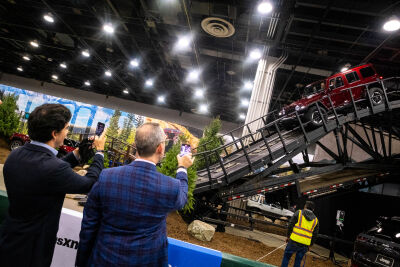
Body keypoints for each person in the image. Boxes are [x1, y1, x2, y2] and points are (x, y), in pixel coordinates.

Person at [0, 103, 105, 267]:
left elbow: (47, 170)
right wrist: (99, 154)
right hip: (34, 249)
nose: (67, 132)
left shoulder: (16, 155)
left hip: (10, 238)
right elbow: (88, 184)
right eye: (66, 128)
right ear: (54, 133)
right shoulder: (53, 168)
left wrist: (77, 154)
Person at [76, 122, 194, 267]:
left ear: (136, 144)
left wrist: (81, 262)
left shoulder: (107, 176)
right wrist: (182, 168)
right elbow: (182, 198)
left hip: (104, 259)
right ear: (160, 148)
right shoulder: (170, 186)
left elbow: (89, 224)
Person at [281, 201, 319, 267]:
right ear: (313, 209)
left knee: (286, 257)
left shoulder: (299, 213)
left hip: (293, 241)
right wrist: (310, 245)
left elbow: (290, 225)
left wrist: (288, 236)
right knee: (298, 261)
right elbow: (315, 234)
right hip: (305, 244)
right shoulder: (316, 220)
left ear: (305, 206)